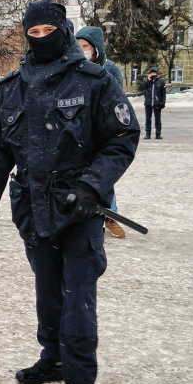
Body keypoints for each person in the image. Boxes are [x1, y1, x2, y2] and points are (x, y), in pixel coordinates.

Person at [0, 0, 140, 384]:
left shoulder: (94, 81)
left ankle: (81, 381)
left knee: (79, 294)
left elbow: (122, 137)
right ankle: (53, 356)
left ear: (63, 30)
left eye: (49, 31)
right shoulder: (11, 89)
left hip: (79, 210)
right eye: (34, 33)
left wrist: (91, 186)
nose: (42, 39)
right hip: (33, 208)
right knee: (47, 287)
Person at [75, 25, 128, 238]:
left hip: (102, 131)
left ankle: (110, 216)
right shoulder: (73, 66)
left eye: (85, 46)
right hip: (79, 132)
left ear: (96, 48)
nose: (82, 50)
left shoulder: (110, 68)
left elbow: (117, 101)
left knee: (103, 175)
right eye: (78, 46)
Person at [139, 67, 165, 139]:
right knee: (148, 119)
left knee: (157, 120)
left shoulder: (160, 81)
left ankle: (158, 134)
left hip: (157, 103)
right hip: (148, 103)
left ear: (156, 74)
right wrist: (147, 80)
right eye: (151, 73)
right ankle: (148, 134)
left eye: (154, 73)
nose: (153, 74)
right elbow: (141, 88)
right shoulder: (147, 81)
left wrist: (163, 102)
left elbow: (163, 93)